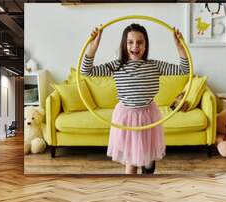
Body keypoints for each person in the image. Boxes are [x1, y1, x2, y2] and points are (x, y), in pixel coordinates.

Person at [81, 23, 189, 174]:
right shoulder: (117, 65)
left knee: (149, 161)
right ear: (124, 44)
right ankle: (130, 192)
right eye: (130, 42)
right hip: (126, 117)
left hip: (148, 115)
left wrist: (179, 46)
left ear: (146, 45)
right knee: (131, 163)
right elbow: (86, 71)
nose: (135, 46)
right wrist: (93, 45)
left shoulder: (154, 65)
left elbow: (185, 70)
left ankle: (148, 180)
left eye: (140, 42)